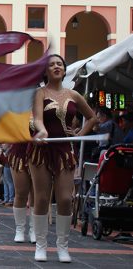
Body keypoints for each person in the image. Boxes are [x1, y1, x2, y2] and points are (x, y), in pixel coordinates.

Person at [31, 54, 96, 262]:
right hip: (41, 150)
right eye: (51, 65)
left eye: (59, 64)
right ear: (45, 71)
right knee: (41, 198)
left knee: (66, 199)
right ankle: (41, 245)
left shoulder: (74, 94)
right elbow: (38, 119)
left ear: (64, 69)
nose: (56, 66)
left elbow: (92, 117)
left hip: (65, 151)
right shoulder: (39, 93)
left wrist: (80, 135)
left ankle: (62, 246)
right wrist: (41, 131)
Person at [8, 141, 35, 243]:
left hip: (40, 150)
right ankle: (19, 229)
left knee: (36, 194)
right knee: (21, 192)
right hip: (20, 150)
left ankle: (34, 230)